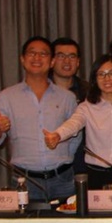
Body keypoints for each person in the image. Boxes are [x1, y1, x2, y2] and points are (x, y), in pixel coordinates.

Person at [0, 36, 79, 200]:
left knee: (68, 218)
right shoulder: (6, 97)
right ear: (22, 59)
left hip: (63, 180)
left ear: (52, 62)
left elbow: (75, 138)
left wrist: (62, 158)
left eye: (43, 54)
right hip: (24, 181)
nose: (37, 58)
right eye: (32, 53)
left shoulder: (67, 98)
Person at [44, 55, 112, 190]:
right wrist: (58, 135)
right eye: (101, 74)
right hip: (94, 174)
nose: (107, 78)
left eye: (111, 73)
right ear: (95, 79)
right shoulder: (86, 107)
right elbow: (74, 123)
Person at [50, 37, 90, 175]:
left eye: (72, 56)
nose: (67, 61)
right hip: (51, 164)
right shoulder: (41, 90)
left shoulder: (88, 90)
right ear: (52, 60)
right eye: (61, 56)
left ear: (78, 62)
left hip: (82, 163)